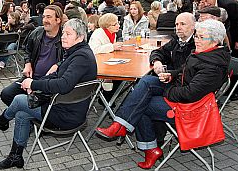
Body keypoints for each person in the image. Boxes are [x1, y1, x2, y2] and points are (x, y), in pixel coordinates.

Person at [96, 19, 230, 169]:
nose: (196, 40)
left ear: (215, 41)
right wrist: (171, 75)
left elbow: (190, 94)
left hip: (190, 108)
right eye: (197, 36)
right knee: (147, 81)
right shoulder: (204, 53)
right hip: (180, 91)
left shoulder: (213, 66)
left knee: (142, 104)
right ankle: (120, 125)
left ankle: (149, 148)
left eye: (200, 37)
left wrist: (167, 90)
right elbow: (183, 71)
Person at [0, 18, 97, 169]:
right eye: (63, 33)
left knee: (19, 100)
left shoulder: (81, 57)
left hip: (66, 116)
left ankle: (2, 121)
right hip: (66, 109)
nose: (63, 37)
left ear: (80, 37)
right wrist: (37, 85)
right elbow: (57, 76)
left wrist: (33, 84)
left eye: (68, 34)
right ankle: (15, 157)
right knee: (22, 114)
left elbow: (63, 84)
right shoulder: (78, 52)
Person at [0, 5, 65, 106]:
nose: (45, 20)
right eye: (43, 17)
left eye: (49, 17)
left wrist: (58, 65)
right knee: (6, 94)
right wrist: (27, 63)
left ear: (58, 20)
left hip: (50, 83)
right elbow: (26, 49)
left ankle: (26, 115)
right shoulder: (37, 32)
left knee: (25, 105)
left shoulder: (65, 37)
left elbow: (70, 58)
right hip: (31, 77)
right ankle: (26, 115)